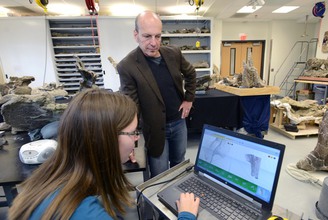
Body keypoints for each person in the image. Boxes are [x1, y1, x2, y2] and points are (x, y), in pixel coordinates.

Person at [8, 89, 199, 220]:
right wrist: (186, 215)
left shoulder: (50, 182)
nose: (136, 139)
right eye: (132, 132)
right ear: (104, 140)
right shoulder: (86, 214)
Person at [117, 11, 197, 178]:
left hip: (178, 122)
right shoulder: (127, 66)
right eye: (147, 36)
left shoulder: (173, 53)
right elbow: (132, 106)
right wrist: (131, 143)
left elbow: (191, 74)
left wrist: (189, 99)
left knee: (179, 164)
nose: (154, 43)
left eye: (158, 36)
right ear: (136, 35)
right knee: (159, 173)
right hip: (153, 129)